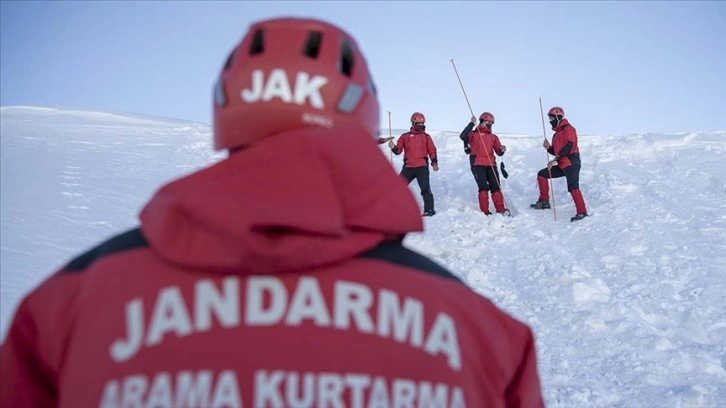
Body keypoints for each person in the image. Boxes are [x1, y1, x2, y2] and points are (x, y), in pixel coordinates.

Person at [0, 17, 545, 407]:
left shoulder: (67, 306)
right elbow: (412, 147)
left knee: (432, 189)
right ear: (360, 111)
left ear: (229, 108)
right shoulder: (477, 329)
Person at [531, 106, 588, 221]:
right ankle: (544, 201)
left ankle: (582, 212)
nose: (550, 121)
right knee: (542, 174)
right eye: (549, 119)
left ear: (558, 117)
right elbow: (557, 151)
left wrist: (555, 159)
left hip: (572, 162)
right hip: (562, 164)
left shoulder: (569, 129)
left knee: (573, 187)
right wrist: (548, 148)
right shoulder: (556, 135)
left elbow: (569, 146)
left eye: (552, 118)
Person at [388, 112, 439, 216]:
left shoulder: (426, 137)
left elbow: (432, 151)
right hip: (408, 167)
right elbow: (398, 151)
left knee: (425, 189)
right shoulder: (405, 137)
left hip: (422, 167)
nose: (421, 126)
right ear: (413, 123)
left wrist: (434, 163)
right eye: (418, 124)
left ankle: (429, 210)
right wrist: (393, 147)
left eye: (422, 124)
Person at [459, 112, 510, 216]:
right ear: (482, 121)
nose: (489, 124)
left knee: (495, 187)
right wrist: (471, 124)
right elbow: (463, 136)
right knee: (483, 187)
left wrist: (502, 149)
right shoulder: (473, 134)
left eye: (491, 123)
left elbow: (498, 152)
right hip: (477, 164)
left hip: (491, 164)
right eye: (488, 122)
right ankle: (485, 211)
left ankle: (501, 209)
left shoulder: (493, 137)